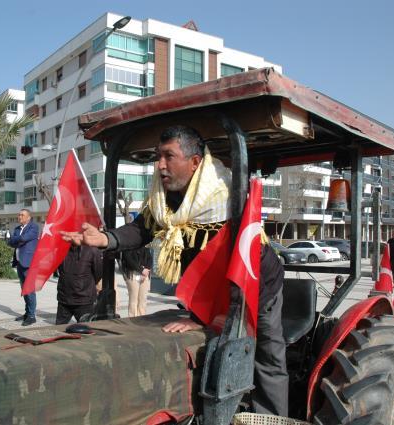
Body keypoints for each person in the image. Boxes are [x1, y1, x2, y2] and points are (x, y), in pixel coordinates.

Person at [61, 125, 288, 416]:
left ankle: (270, 418)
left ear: (195, 162)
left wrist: (204, 317)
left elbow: (241, 265)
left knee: (266, 358)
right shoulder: (163, 198)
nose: (160, 165)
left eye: (169, 156)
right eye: (158, 156)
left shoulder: (225, 197)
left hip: (256, 284)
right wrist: (105, 239)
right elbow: (142, 229)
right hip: (209, 288)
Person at [55, 244, 103, 325]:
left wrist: (84, 284)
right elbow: (60, 270)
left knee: (86, 330)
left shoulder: (92, 250)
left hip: (84, 300)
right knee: (59, 329)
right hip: (64, 298)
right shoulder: (62, 248)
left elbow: (98, 273)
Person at [8, 209, 40, 326]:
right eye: (19, 214)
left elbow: (23, 238)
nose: (19, 216)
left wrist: (17, 239)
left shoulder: (34, 227)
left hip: (30, 264)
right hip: (20, 263)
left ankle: (32, 316)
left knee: (30, 290)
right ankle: (27, 313)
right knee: (24, 290)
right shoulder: (17, 229)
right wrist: (17, 240)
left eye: (22, 215)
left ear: (29, 217)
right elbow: (10, 242)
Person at [120, 247, 153, 317]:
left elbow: (150, 258)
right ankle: (132, 319)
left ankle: (141, 318)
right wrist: (141, 270)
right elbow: (128, 259)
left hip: (145, 273)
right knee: (133, 299)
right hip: (133, 273)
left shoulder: (144, 244)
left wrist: (146, 270)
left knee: (143, 299)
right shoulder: (128, 244)